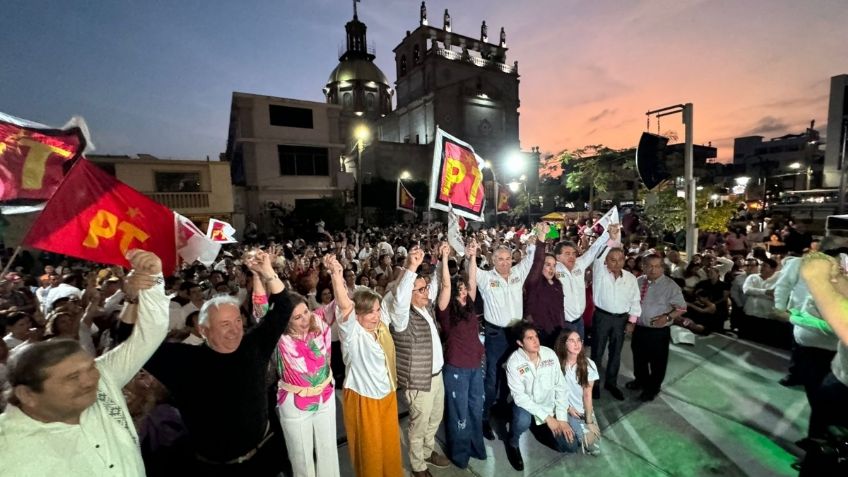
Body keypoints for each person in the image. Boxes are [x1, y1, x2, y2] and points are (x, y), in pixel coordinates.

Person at [0, 250, 169, 476]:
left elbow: (150, 333)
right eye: (72, 377)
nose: (90, 380)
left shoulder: (104, 377)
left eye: (90, 367)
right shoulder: (8, 453)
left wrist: (153, 281)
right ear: (27, 395)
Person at [142, 249, 293, 476]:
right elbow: (135, 344)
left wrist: (266, 271)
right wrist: (139, 296)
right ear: (203, 330)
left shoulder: (253, 345)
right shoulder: (183, 362)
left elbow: (283, 307)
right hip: (215, 468)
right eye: (224, 325)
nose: (235, 331)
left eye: (237, 322)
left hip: (266, 458)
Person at [327, 254, 403, 477]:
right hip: (364, 398)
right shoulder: (352, 333)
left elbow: (400, 291)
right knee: (370, 453)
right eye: (369, 312)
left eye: (378, 309)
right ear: (357, 315)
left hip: (387, 395)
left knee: (390, 448)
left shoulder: (381, 327)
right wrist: (336, 275)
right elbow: (344, 304)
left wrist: (411, 267)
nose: (376, 316)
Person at [263, 274, 339, 477]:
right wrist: (262, 273)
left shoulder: (319, 322)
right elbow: (260, 310)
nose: (306, 318)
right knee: (301, 460)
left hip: (325, 396)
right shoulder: (278, 337)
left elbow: (342, 304)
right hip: (295, 403)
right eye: (297, 317)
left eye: (305, 311)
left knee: (328, 451)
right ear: (284, 321)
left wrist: (336, 274)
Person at [385, 245, 451, 476]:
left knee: (434, 419)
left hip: (437, 375)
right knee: (418, 425)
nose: (426, 293)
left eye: (424, 289)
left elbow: (435, 282)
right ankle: (418, 465)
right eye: (420, 290)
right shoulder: (401, 317)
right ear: (408, 293)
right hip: (419, 380)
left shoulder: (425, 307)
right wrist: (411, 266)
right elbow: (401, 298)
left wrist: (442, 258)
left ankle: (427, 451)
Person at [473, 232, 537, 438]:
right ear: (492, 260)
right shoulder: (485, 278)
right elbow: (470, 269)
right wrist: (468, 254)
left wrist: (535, 242)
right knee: (491, 377)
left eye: (508, 258)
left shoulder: (518, 273)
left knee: (513, 373)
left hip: (516, 334)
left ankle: (501, 407)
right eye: (500, 259)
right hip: (495, 335)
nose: (504, 263)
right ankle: (483, 418)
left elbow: (531, 258)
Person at [436, 241, 485, 469]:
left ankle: (476, 447)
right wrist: (445, 258)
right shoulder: (445, 310)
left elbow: (473, 280)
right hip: (457, 367)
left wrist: (473, 256)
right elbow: (446, 284)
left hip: (475, 365)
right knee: (460, 414)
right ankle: (460, 454)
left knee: (476, 408)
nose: (464, 290)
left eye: (464, 287)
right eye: (460, 288)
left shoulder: (470, 305)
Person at [504, 323, 578, 471]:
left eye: (536, 336)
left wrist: (562, 419)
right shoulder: (514, 363)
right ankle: (512, 442)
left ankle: (538, 428)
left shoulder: (549, 354)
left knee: (570, 446)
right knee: (522, 419)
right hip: (526, 407)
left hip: (549, 407)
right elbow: (520, 397)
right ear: (520, 343)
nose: (536, 341)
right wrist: (548, 419)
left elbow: (561, 387)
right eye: (530, 338)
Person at [626, 255, 686, 401]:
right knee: (639, 359)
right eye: (649, 266)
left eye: (657, 266)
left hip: (658, 332)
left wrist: (667, 317)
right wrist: (632, 322)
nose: (653, 269)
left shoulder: (670, 286)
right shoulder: (639, 281)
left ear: (662, 267)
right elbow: (634, 304)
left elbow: (682, 308)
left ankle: (652, 388)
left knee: (657, 362)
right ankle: (640, 381)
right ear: (643, 266)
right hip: (640, 329)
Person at [552, 223, 619, 340]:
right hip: (562, 324)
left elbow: (594, 250)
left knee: (578, 353)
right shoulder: (552, 270)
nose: (572, 257)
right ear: (557, 257)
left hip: (579, 321)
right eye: (567, 254)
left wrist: (607, 234)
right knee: (565, 356)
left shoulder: (580, 264)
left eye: (573, 253)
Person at [591, 245, 640, 401]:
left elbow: (635, 300)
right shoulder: (600, 273)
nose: (617, 263)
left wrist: (632, 321)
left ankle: (611, 383)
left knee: (616, 353)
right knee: (597, 352)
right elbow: (597, 258)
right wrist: (611, 240)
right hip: (602, 317)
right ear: (606, 260)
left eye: (620, 259)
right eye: (612, 260)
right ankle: (594, 384)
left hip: (621, 320)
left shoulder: (631, 278)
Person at [555, 329, 600, 455]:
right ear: (563, 344)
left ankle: (576, 429)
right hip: (561, 407)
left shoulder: (588, 365)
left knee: (592, 443)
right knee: (571, 446)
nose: (577, 344)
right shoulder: (556, 364)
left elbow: (587, 395)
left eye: (579, 340)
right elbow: (551, 391)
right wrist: (568, 408)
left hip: (581, 410)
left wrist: (589, 421)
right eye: (572, 340)